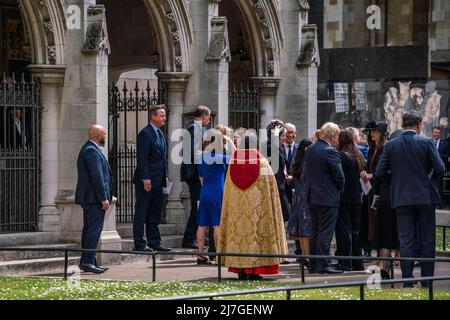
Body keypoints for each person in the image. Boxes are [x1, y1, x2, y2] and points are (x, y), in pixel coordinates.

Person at [375, 112, 445, 288]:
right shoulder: (427, 142)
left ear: (403, 125)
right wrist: (428, 180)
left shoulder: (391, 145)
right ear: (419, 125)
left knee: (406, 239)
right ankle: (426, 280)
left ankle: (407, 279)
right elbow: (440, 168)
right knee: (427, 240)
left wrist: (397, 181)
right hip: (425, 197)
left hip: (402, 197)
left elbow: (380, 172)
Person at [218, 131, 288, 280]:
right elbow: (271, 190)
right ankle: (254, 270)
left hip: (237, 211)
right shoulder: (262, 162)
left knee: (239, 237)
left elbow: (228, 189)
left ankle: (241, 271)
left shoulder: (233, 162)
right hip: (257, 212)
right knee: (256, 237)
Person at [304, 122, 345, 274]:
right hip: (327, 197)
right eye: (337, 136)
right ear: (332, 136)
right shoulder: (330, 151)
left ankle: (314, 264)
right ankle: (324, 264)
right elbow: (339, 176)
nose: (337, 140)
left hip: (313, 196)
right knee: (325, 232)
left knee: (315, 231)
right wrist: (340, 189)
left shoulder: (311, 149)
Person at [133, 105, 171, 252]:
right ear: (153, 116)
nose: (164, 118)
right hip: (146, 181)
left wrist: (165, 175)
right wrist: (145, 178)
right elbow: (142, 158)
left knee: (155, 212)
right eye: (162, 115)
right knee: (142, 212)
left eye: (164, 115)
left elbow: (162, 158)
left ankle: (155, 242)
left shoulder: (160, 133)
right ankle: (139, 243)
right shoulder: (145, 133)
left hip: (158, 179)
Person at [75, 125, 113, 273]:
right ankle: (87, 261)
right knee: (93, 230)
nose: (105, 137)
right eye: (104, 134)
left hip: (91, 197)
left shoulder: (91, 148)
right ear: (98, 135)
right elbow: (98, 177)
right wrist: (104, 197)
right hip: (93, 198)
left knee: (89, 229)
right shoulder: (91, 150)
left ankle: (89, 260)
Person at [196, 129, 234, 264]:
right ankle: (218, 256)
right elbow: (236, 156)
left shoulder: (201, 157)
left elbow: (201, 178)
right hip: (217, 191)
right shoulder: (218, 157)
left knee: (202, 224)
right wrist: (229, 141)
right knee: (217, 224)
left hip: (205, 191)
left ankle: (200, 254)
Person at [180, 105, 211, 249]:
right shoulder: (195, 129)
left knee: (198, 206)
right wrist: (201, 174)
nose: (209, 120)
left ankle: (195, 236)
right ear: (203, 117)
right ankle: (189, 238)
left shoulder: (194, 128)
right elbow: (195, 154)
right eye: (208, 117)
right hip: (194, 175)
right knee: (197, 207)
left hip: (194, 174)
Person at [334, 130, 365, 271]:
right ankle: (358, 261)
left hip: (344, 197)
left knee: (343, 231)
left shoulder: (341, 156)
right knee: (355, 231)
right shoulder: (359, 155)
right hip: (357, 197)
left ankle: (345, 261)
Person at [359, 121, 388, 258]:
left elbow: (386, 170)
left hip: (381, 191)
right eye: (370, 131)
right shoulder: (372, 149)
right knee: (370, 222)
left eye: (374, 131)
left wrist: (372, 175)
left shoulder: (385, 148)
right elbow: (369, 167)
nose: (371, 134)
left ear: (381, 133)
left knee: (379, 222)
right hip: (370, 191)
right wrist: (365, 172)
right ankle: (374, 251)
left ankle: (381, 255)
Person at [287, 138, 313, 267]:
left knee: (301, 230)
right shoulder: (307, 163)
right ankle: (308, 256)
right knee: (307, 228)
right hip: (306, 197)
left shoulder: (297, 161)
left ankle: (304, 255)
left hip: (297, 197)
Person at [264, 119, 290, 222]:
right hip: (273, 187)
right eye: (282, 136)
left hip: (281, 185)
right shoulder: (268, 147)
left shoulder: (279, 147)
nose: (285, 138)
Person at [431, 127, 449, 205]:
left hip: (439, 169)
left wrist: (436, 153)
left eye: (438, 132)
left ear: (440, 134)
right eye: (435, 132)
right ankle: (430, 203)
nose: (436, 134)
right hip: (429, 169)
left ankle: (440, 204)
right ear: (432, 133)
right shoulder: (428, 142)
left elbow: (447, 157)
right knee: (429, 186)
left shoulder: (445, 144)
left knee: (439, 187)